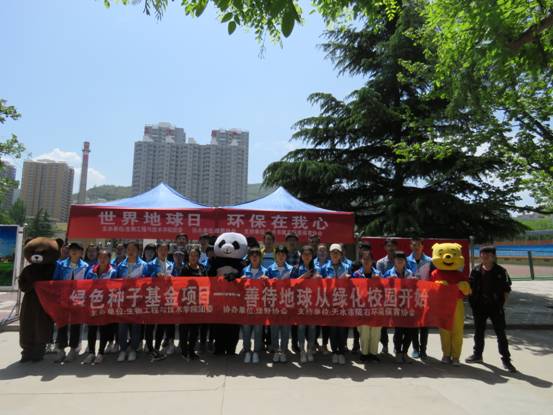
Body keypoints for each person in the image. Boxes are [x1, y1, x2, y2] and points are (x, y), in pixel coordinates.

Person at [465, 246, 516, 372]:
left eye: (488, 255)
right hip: (479, 306)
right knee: (478, 332)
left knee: (500, 333)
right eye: (482, 255)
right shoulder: (476, 270)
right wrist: (472, 303)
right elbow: (470, 288)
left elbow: (506, 290)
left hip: (495, 307)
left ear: (493, 257)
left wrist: (501, 305)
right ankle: (477, 355)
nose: (485, 257)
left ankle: (506, 360)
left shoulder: (501, 271)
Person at [52, 242, 89, 363]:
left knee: (76, 324)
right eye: (72, 249)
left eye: (77, 250)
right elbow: (55, 280)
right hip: (63, 299)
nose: (74, 251)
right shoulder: (61, 264)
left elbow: (88, 283)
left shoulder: (85, 266)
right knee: (61, 324)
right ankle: (61, 349)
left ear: (81, 252)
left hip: (78, 299)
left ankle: (73, 349)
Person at [82, 249, 118, 364]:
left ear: (109, 259)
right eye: (100, 257)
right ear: (97, 258)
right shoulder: (90, 270)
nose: (102, 260)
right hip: (92, 303)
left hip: (105, 304)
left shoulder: (113, 272)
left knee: (104, 329)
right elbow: (85, 285)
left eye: (105, 258)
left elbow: (115, 287)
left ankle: (101, 353)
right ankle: (91, 352)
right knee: (91, 329)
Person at [115, 241, 148, 362]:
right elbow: (115, 282)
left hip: (137, 299)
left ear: (138, 251)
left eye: (133, 249)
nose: (131, 251)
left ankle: (133, 349)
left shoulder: (143, 265)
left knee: (136, 326)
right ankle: (123, 349)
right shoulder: (121, 265)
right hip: (123, 300)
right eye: (128, 249)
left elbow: (148, 282)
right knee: (122, 327)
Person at [384, 251, 416, 364]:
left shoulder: (409, 273)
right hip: (395, 306)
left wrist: (415, 282)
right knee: (399, 331)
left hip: (408, 305)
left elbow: (416, 289)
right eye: (398, 259)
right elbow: (382, 287)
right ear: (394, 261)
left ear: (405, 261)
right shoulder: (389, 273)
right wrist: (389, 281)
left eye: (402, 260)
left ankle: (405, 352)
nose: (400, 261)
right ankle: (398, 352)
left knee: (409, 331)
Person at [290, 245, 321, 363]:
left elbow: (324, 285)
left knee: (312, 327)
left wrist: (319, 279)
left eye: (309, 254)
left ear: (312, 256)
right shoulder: (296, 268)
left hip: (313, 302)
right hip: (300, 302)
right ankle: (302, 350)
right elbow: (291, 284)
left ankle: (309, 349)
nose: (307, 256)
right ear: (301, 256)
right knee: (301, 326)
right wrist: (304, 277)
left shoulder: (317, 268)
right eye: (304, 254)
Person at [145, 242, 175, 360]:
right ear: (157, 251)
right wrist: (155, 275)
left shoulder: (171, 264)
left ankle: (157, 348)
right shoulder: (149, 264)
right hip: (152, 297)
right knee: (150, 325)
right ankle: (150, 348)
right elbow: (144, 279)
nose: (163, 252)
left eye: (165, 250)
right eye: (161, 250)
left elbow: (176, 279)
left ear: (168, 251)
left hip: (165, 298)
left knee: (161, 324)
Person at [322, 243, 351, 365]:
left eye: (337, 252)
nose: (335, 254)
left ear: (340, 254)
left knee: (342, 328)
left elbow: (353, 283)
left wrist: (348, 279)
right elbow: (319, 283)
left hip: (343, 301)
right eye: (333, 252)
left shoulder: (347, 267)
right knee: (333, 328)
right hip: (329, 302)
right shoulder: (324, 267)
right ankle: (335, 352)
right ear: (329, 254)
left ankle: (341, 352)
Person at [178, 246, 206, 361]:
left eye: (196, 256)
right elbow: (180, 285)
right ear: (188, 257)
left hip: (198, 303)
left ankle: (192, 350)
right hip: (186, 302)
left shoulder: (203, 269)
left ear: (199, 257)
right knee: (184, 329)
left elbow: (206, 284)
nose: (193, 257)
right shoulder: (184, 269)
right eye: (191, 255)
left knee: (195, 330)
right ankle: (184, 351)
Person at [353, 251, 381, 362]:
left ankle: (373, 353)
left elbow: (386, 289)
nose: (366, 261)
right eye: (364, 259)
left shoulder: (378, 274)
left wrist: (379, 281)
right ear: (361, 260)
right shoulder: (356, 274)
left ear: (372, 261)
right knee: (364, 332)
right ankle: (364, 353)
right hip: (362, 308)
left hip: (376, 308)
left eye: (369, 259)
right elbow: (351, 290)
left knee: (375, 332)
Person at [240, 246, 268, 364]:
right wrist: (241, 281)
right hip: (247, 306)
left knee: (258, 331)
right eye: (252, 255)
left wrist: (267, 281)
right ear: (249, 257)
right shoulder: (244, 270)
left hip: (259, 306)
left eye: (257, 255)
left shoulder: (266, 271)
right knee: (246, 331)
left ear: (260, 257)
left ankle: (256, 352)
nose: (254, 257)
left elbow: (271, 290)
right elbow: (239, 290)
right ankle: (247, 351)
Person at [266, 244, 293, 363]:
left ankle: (284, 350)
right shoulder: (269, 269)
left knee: (285, 328)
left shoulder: (291, 269)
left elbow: (296, 284)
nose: (281, 256)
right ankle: (276, 350)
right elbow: (264, 285)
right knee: (274, 328)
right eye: (279, 254)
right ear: (275, 256)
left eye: (283, 254)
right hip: (274, 303)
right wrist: (268, 281)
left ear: (286, 256)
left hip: (287, 302)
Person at [407, 237, 432, 359]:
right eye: (414, 245)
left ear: (422, 246)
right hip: (410, 296)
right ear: (410, 246)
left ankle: (423, 350)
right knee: (413, 324)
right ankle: (415, 348)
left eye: (418, 245)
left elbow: (434, 277)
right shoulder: (406, 260)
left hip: (425, 296)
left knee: (424, 324)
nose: (416, 247)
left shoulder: (430, 261)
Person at [376, 238, 397, 354]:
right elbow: (379, 279)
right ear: (385, 248)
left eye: (393, 246)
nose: (391, 248)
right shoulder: (380, 263)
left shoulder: (401, 260)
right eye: (388, 246)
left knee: (398, 322)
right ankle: (385, 345)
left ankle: (397, 345)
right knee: (383, 323)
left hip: (400, 296)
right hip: (385, 296)